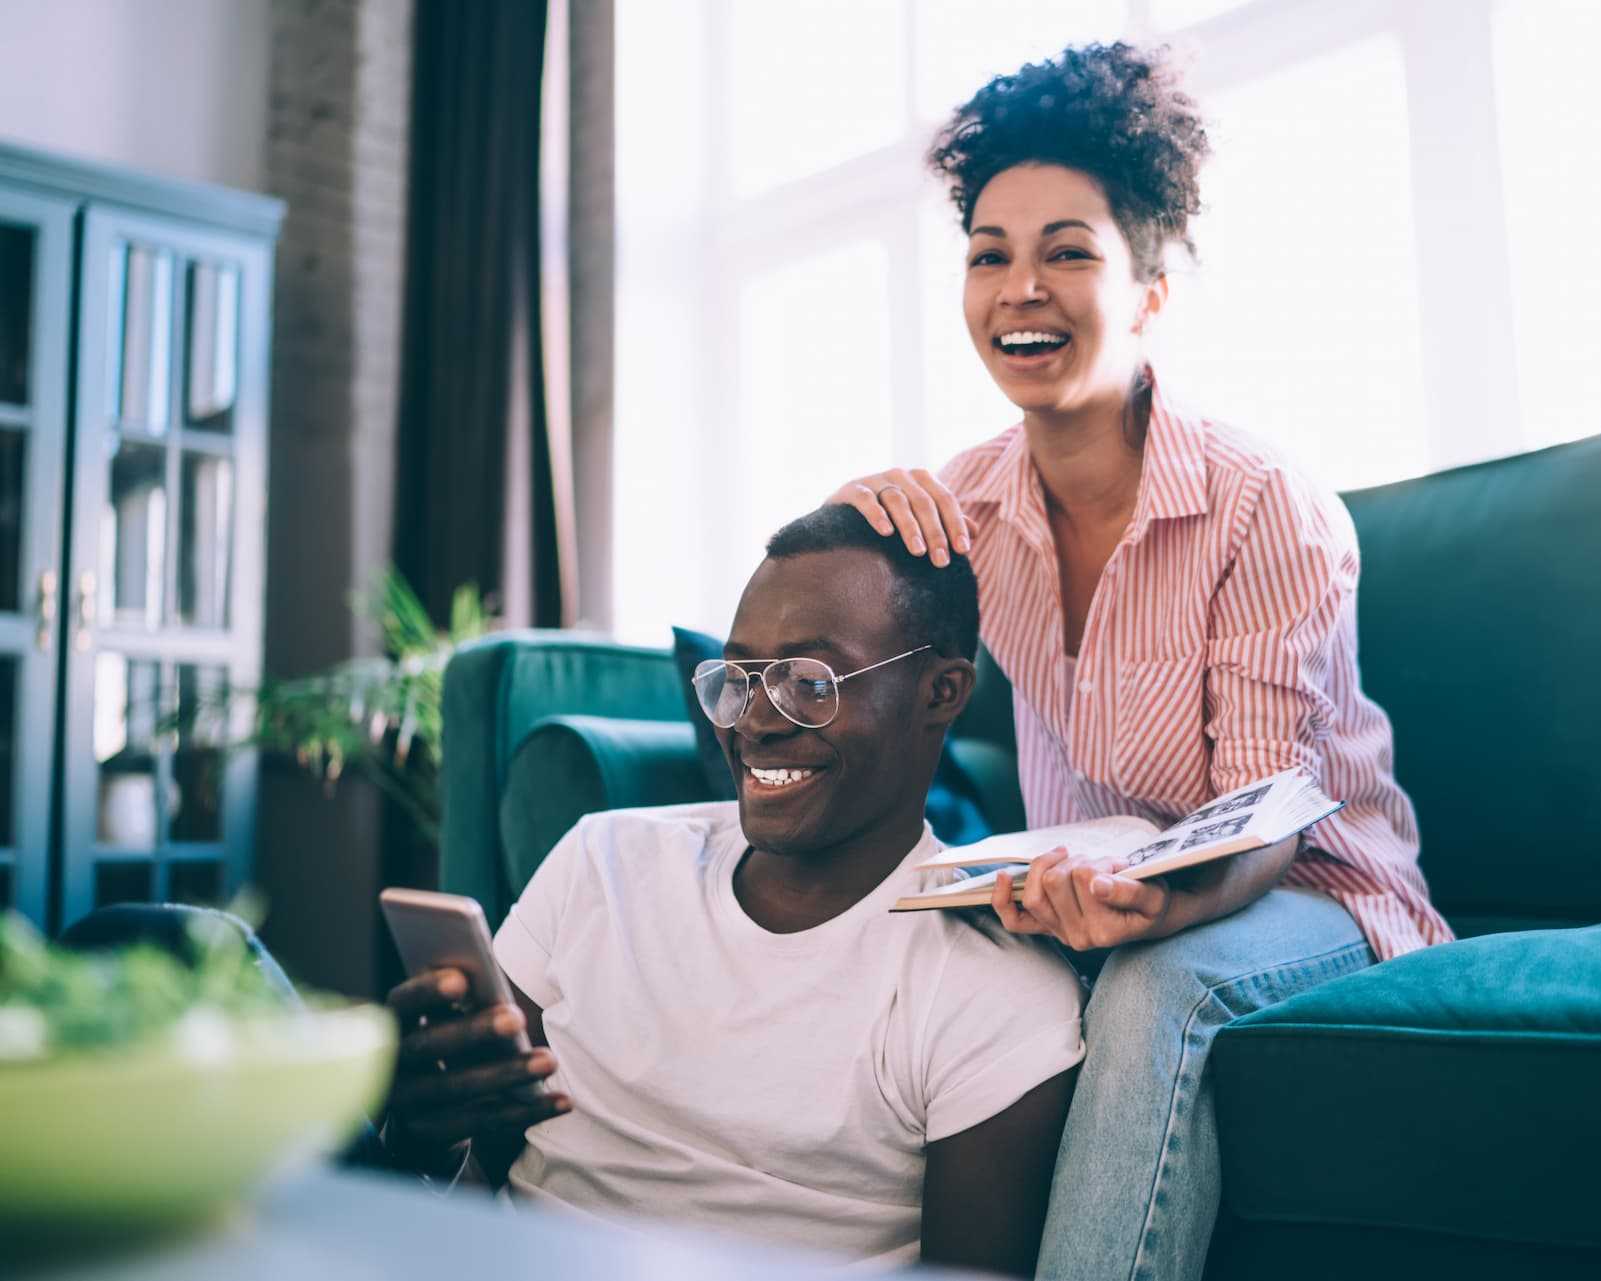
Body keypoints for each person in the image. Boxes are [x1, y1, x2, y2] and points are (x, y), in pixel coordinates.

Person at [828, 42, 1454, 1281]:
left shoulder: (1263, 502)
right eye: (990, 254)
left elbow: (1270, 816)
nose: (1022, 288)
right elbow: (831, 677)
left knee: (1151, 990)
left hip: (1309, 895)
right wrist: (846, 529)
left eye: (1069, 251)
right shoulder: (962, 512)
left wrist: (1154, 912)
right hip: (1086, 887)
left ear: (1151, 287)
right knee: (902, 961)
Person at [382, 505, 1086, 1276]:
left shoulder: (989, 985)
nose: (753, 722)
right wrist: (422, 1136)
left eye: (810, 683)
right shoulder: (602, 861)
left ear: (941, 691)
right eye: (738, 678)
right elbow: (463, 1170)